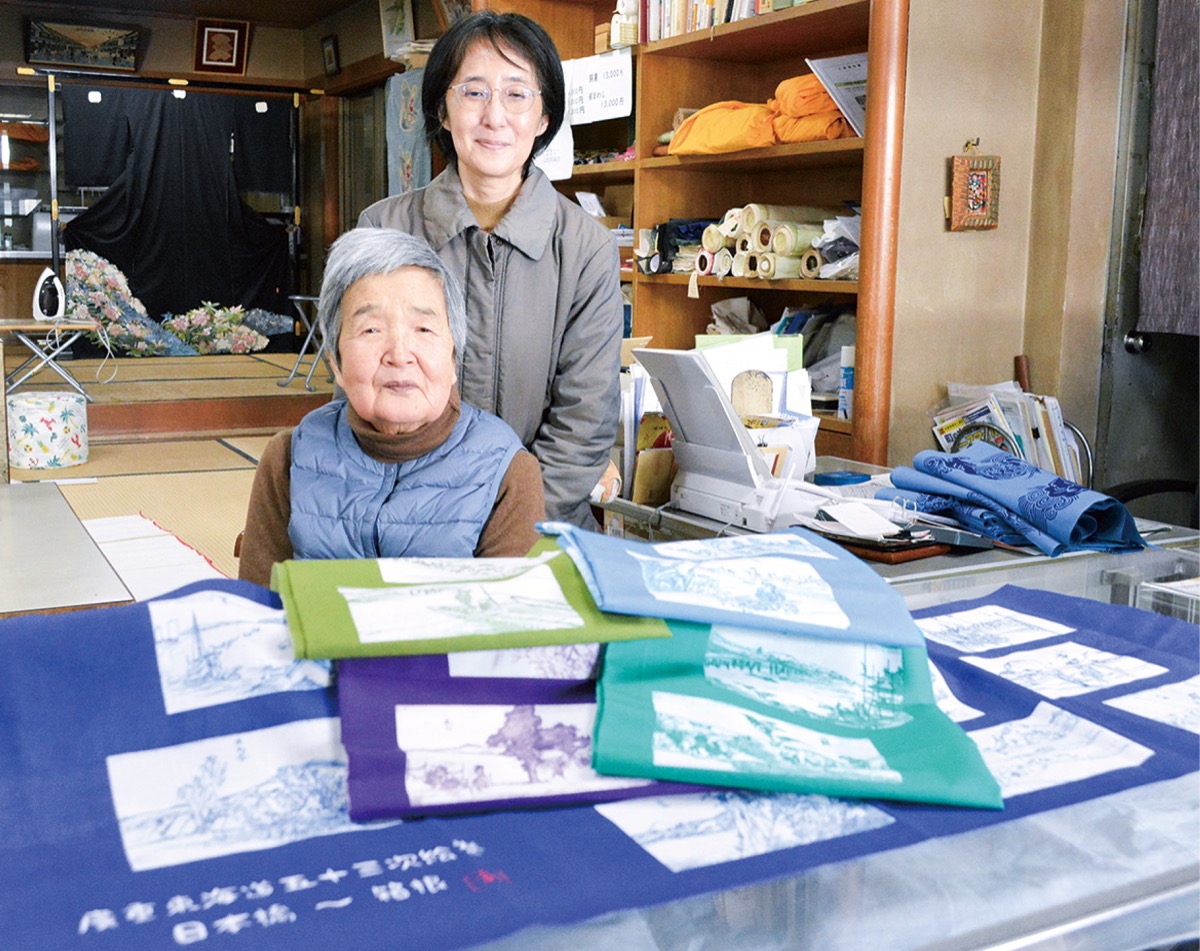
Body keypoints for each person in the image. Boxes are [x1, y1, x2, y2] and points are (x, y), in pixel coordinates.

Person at [358, 11, 622, 530]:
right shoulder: (384, 230)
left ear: (544, 117)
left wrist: (506, 528)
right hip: (406, 523)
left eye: (517, 94)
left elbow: (584, 423)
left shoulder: (586, 247)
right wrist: (431, 526)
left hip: (540, 529)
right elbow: (363, 395)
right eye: (474, 92)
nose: (495, 116)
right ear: (442, 109)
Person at [237, 228, 545, 587]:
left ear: (453, 359)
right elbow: (257, 608)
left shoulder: (508, 471)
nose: (399, 354)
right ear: (336, 362)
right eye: (371, 330)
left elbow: (509, 618)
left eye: (423, 329)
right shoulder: (289, 459)